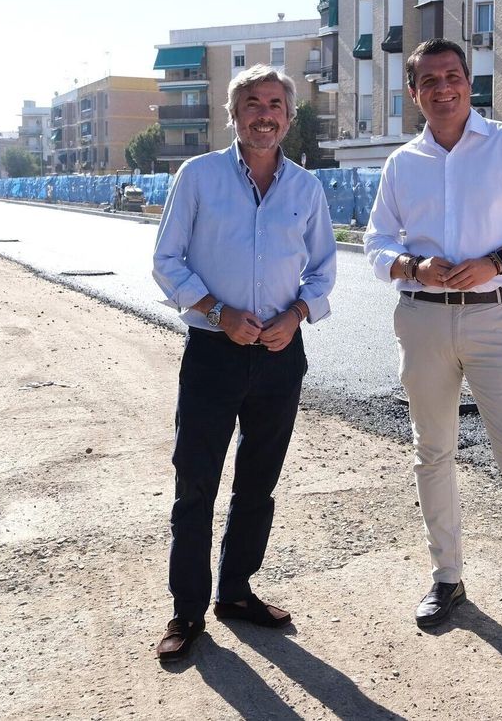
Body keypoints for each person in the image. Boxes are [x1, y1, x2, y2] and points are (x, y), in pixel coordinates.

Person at [363, 39, 502, 656]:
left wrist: (497, 262)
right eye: (429, 80)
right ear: (413, 94)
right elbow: (375, 243)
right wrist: (413, 266)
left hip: (495, 321)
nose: (443, 88)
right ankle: (447, 580)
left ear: (469, 83)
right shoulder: (401, 163)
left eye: (453, 76)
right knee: (432, 454)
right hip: (423, 321)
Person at [150, 64, 337, 662]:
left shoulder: (306, 188)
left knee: (258, 484)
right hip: (213, 353)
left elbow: (324, 268)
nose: (266, 112)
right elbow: (167, 259)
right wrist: (215, 309)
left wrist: (300, 312)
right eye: (253, 102)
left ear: (288, 115)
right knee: (196, 484)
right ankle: (187, 611)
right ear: (234, 114)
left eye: (277, 103)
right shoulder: (198, 176)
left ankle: (236, 592)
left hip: (282, 357)